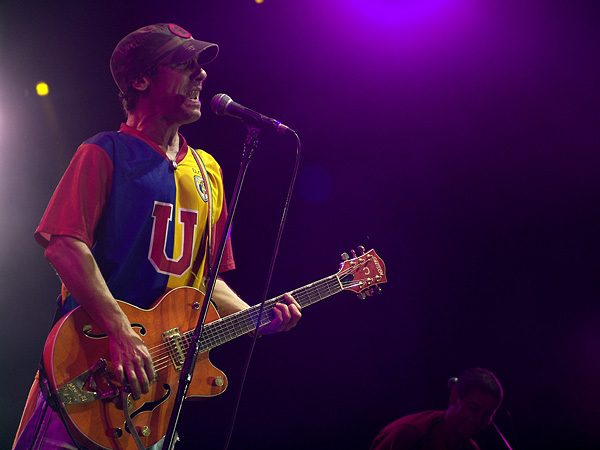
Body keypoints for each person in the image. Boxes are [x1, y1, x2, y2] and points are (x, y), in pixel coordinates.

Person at [12, 23, 301, 450]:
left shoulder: (209, 172)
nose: (201, 75)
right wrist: (121, 331)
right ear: (140, 79)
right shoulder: (103, 151)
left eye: (200, 66)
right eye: (185, 65)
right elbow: (63, 244)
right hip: (87, 369)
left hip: (153, 395)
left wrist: (254, 316)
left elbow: (206, 280)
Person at [370, 368, 503, 450]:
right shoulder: (408, 434)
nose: (478, 420)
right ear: (454, 396)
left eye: (487, 414)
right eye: (473, 408)